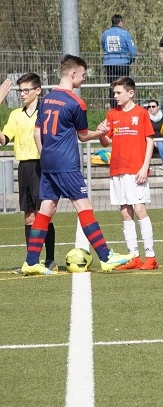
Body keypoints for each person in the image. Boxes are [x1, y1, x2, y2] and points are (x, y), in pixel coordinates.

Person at [20, 55, 133, 275]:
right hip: (66, 163)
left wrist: (46, 155)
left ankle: (31, 261)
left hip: (48, 161)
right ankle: (106, 257)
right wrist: (101, 132)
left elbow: (37, 133)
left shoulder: (47, 100)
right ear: (73, 74)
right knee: (84, 206)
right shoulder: (75, 102)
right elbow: (83, 136)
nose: (84, 78)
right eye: (82, 74)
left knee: (46, 208)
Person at [98, 77, 157, 269]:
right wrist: (101, 133)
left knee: (139, 209)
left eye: (118, 92)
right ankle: (134, 257)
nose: (115, 96)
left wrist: (144, 167)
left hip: (136, 170)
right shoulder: (112, 114)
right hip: (117, 169)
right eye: (114, 93)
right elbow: (106, 142)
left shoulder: (141, 113)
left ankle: (151, 257)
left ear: (130, 93)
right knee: (125, 212)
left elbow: (150, 141)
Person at [0, 74, 56, 269]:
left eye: (26, 90)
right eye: (20, 91)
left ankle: (50, 259)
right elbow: (4, 139)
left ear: (37, 90)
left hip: (43, 167)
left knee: (43, 213)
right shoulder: (16, 114)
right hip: (24, 167)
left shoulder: (46, 111)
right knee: (29, 216)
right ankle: (31, 260)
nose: (23, 94)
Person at [100, 14, 137, 108]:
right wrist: (130, 61)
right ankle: (124, 106)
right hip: (123, 63)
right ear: (120, 22)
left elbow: (104, 46)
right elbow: (132, 51)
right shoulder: (125, 33)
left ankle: (114, 107)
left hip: (109, 64)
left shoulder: (105, 34)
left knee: (113, 86)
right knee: (124, 86)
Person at [144, 100, 163, 170]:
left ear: (158, 107)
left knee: (159, 143)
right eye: (149, 107)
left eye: (153, 106)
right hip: (149, 139)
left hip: (160, 139)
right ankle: (145, 165)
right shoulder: (145, 118)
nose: (151, 108)